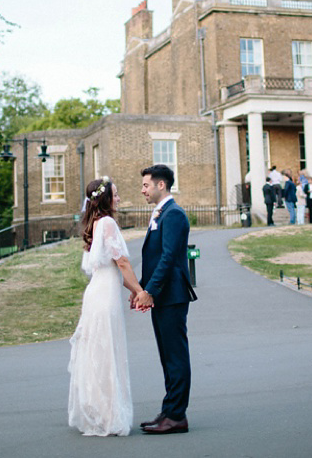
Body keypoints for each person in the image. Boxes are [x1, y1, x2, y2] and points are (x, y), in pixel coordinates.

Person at [68, 177, 144, 436]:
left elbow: (111, 269)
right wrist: (141, 291)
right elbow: (121, 262)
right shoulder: (108, 223)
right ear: (106, 199)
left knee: (98, 353)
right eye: (116, 194)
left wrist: (133, 289)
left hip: (98, 293)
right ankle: (109, 416)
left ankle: (98, 410)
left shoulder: (95, 224)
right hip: (104, 298)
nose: (119, 199)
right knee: (107, 352)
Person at [136, 165, 197, 434]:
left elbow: (169, 257)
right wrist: (141, 289)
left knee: (175, 356)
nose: (143, 190)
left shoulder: (174, 214)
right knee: (166, 356)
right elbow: (153, 258)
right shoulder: (160, 213)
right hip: (161, 296)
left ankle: (176, 416)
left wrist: (149, 291)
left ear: (162, 185)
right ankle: (169, 410)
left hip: (171, 295)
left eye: (146, 185)